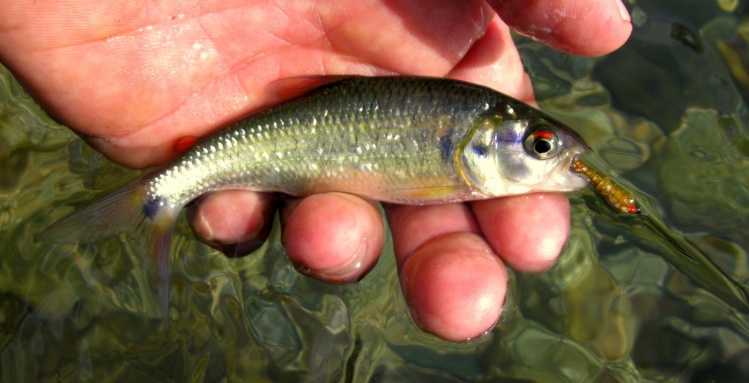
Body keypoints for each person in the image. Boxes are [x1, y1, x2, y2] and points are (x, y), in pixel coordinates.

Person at [0, 0, 631, 341]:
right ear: (489, 144)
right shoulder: (458, 168)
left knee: (325, 233)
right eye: (542, 146)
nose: (558, 158)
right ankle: (156, 202)